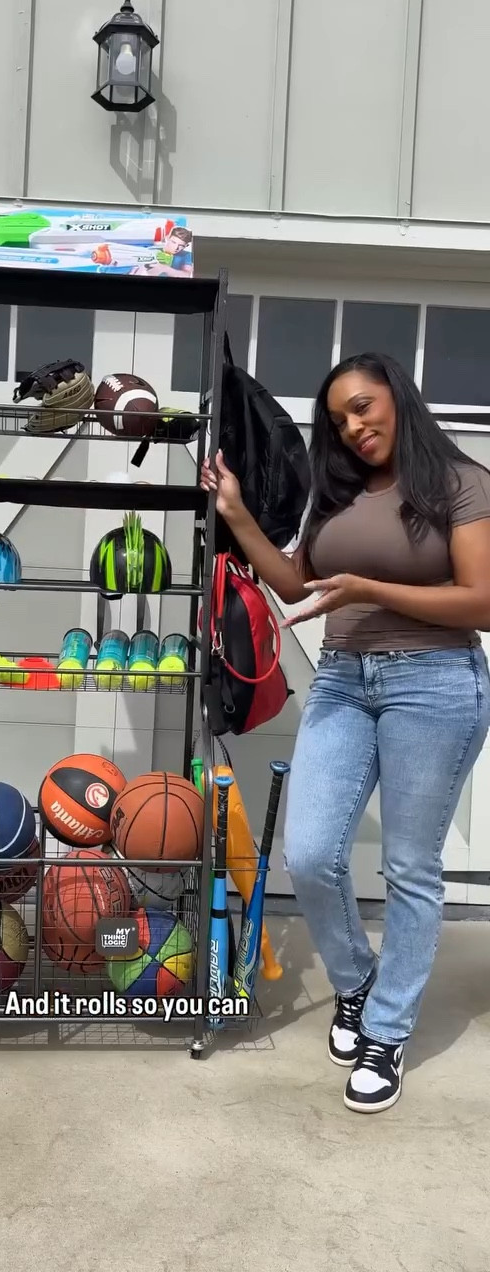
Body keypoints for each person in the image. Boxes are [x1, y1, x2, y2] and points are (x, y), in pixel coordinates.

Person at [201, 352, 490, 1114]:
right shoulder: (339, 496)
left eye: (363, 407)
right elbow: (299, 584)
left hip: (434, 684)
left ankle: (386, 1033)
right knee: (313, 851)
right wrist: (234, 513)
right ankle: (360, 983)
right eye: (338, 420)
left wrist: (366, 589)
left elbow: (481, 602)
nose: (353, 427)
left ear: (398, 395)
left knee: (409, 867)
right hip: (342, 678)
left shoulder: (461, 484)